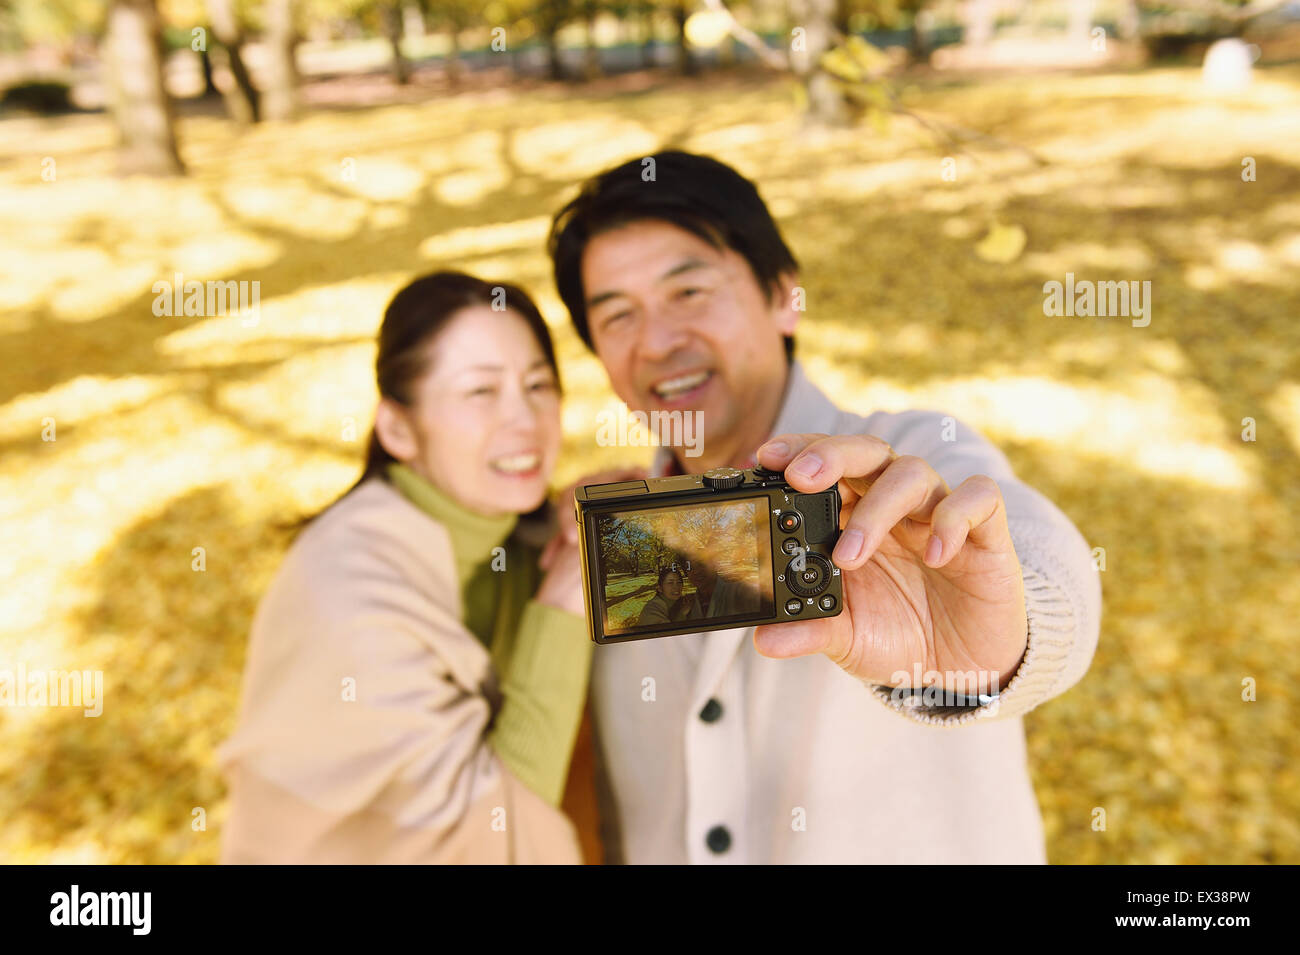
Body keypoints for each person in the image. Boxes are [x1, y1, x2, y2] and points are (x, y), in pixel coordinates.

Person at [547, 151, 1103, 863]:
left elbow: (1042, 560)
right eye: (617, 315)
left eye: (688, 292)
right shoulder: (601, 544)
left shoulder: (910, 465)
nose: (656, 342)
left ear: (785, 295)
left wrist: (1009, 634)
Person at [217, 271, 620, 864]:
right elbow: (484, 841)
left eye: (538, 384)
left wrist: (635, 516)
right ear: (398, 429)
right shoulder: (349, 595)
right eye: (481, 393)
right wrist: (563, 600)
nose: (524, 419)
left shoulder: (523, 536)